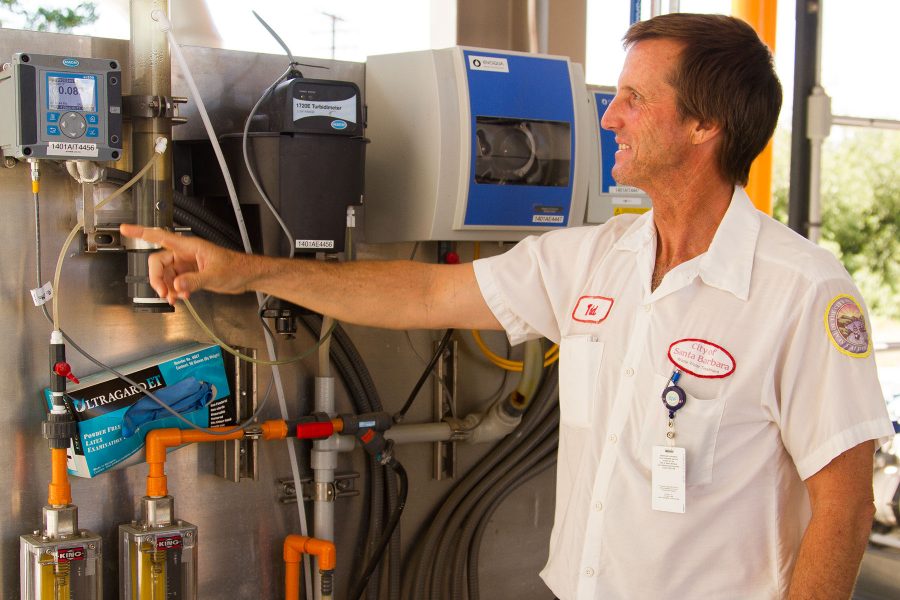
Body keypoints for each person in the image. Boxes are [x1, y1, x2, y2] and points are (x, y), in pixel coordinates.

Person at [121, 13, 894, 600]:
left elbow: (845, 504)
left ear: (704, 125)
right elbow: (424, 293)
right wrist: (245, 270)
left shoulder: (801, 292)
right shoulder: (594, 258)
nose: (608, 117)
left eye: (633, 99)